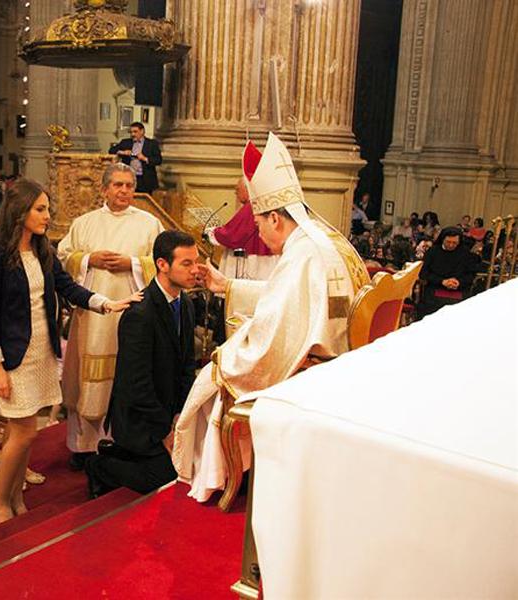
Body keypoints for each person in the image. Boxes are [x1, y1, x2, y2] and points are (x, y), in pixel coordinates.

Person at [172, 133, 369, 502]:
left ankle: (222, 478)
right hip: (340, 359)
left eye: (259, 223)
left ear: (275, 218)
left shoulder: (301, 254)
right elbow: (292, 301)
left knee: (218, 377)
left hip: (313, 370)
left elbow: (277, 333)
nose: (258, 231)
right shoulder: (321, 239)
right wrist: (227, 286)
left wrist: (227, 357)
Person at [0, 179, 137, 524]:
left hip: (41, 350)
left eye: (47, 208)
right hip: (13, 356)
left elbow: (67, 287)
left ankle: (16, 494)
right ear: (19, 212)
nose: (48, 216)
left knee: (23, 431)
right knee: (24, 431)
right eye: (41, 209)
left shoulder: (41, 249)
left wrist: (106, 304)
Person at [57, 163, 163, 469]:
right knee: (88, 380)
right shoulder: (84, 223)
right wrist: (90, 259)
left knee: (127, 376)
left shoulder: (149, 223)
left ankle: (121, 442)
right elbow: (64, 258)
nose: (124, 191)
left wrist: (132, 263)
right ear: (105, 189)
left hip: (132, 315)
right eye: (117, 185)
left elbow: (160, 262)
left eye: (129, 185)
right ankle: (83, 446)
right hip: (93, 319)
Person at [84, 231, 199, 497]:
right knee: (169, 476)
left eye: (196, 262)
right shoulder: (141, 313)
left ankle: (129, 455)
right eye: (186, 263)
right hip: (140, 418)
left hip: (167, 414)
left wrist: (181, 417)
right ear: (162, 264)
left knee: (194, 464)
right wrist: (164, 432)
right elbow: (137, 385)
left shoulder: (185, 304)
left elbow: (186, 366)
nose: (195, 270)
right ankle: (100, 465)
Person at [418, 226, 478, 318]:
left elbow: (470, 275)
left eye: (454, 243)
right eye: (448, 242)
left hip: (459, 290)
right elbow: (424, 273)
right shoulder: (433, 252)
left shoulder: (465, 253)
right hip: (435, 289)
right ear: (442, 239)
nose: (451, 245)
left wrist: (459, 282)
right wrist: (442, 281)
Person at [108, 122, 162, 194]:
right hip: (128, 178)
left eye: (135, 132)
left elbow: (158, 160)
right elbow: (111, 150)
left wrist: (145, 158)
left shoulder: (152, 144)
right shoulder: (126, 142)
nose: (133, 134)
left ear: (142, 131)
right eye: (131, 132)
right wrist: (122, 152)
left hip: (145, 179)